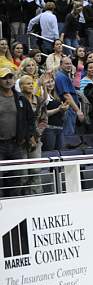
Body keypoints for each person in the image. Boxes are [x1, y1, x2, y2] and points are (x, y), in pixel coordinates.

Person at [0, 68, 36, 197]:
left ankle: (13, 205)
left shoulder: (20, 98)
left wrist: (27, 136)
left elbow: (31, 119)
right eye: (4, 78)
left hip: (16, 145)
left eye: (10, 77)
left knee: (15, 179)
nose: (8, 80)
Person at [19, 75, 47, 194]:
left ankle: (37, 197)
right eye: (27, 83)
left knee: (36, 171)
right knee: (22, 173)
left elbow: (44, 120)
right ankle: (22, 199)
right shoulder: (17, 100)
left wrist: (37, 135)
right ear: (21, 87)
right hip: (20, 143)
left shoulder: (40, 100)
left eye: (32, 83)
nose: (31, 85)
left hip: (36, 141)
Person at [55, 56, 84, 136]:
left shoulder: (66, 76)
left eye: (70, 64)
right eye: (66, 64)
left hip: (71, 110)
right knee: (68, 137)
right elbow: (67, 95)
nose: (69, 66)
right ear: (61, 65)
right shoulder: (61, 77)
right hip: (68, 110)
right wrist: (78, 110)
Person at [41, 74, 68, 151]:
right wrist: (58, 109)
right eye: (47, 82)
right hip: (49, 129)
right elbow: (44, 114)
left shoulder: (56, 95)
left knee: (61, 154)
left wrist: (64, 109)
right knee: (50, 154)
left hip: (60, 128)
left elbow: (60, 113)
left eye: (52, 81)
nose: (50, 84)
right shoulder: (44, 95)